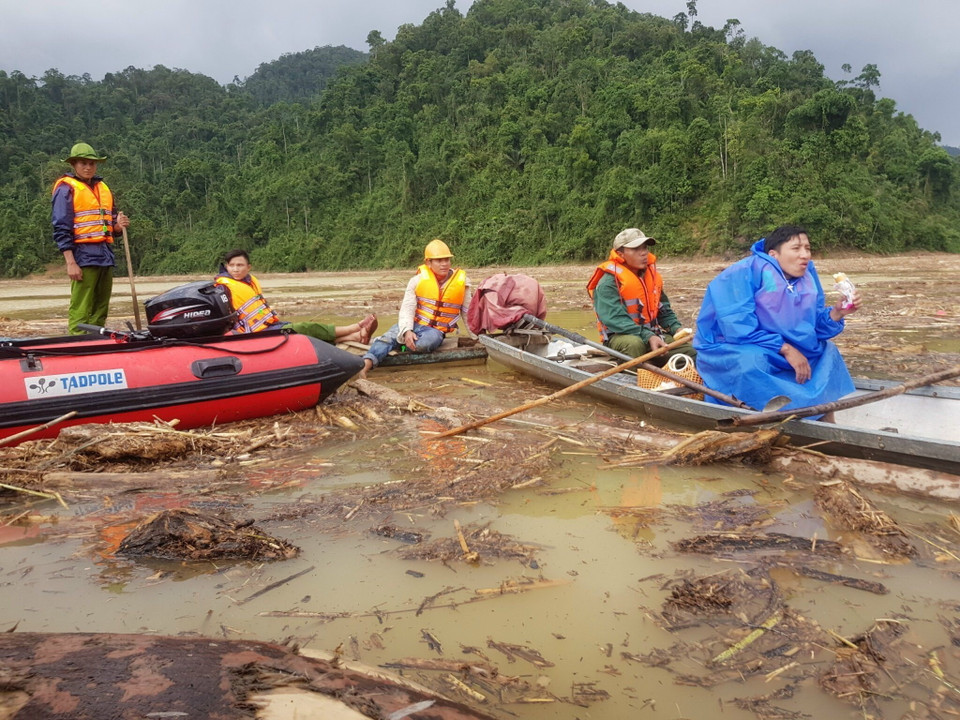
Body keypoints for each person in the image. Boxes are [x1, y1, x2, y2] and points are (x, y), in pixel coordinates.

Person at [692, 225, 861, 415]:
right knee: (750, 362)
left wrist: (838, 312)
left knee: (827, 352)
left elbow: (813, 325)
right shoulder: (745, 271)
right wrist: (786, 349)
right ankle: (758, 413)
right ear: (773, 254)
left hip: (785, 346)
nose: (805, 255)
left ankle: (820, 417)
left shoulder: (807, 274)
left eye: (808, 248)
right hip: (736, 345)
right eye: (796, 249)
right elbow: (737, 329)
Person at [358, 239, 472, 378]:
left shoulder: (463, 282)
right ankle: (364, 367)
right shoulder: (417, 280)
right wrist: (407, 331)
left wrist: (475, 336)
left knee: (424, 344)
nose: (444, 264)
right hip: (415, 324)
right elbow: (407, 308)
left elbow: (467, 312)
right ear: (428, 263)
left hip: (435, 331)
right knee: (389, 338)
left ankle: (396, 343)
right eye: (439, 260)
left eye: (447, 259)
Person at [214, 249, 377, 344]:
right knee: (305, 328)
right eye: (232, 265)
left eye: (240, 265)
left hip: (267, 326)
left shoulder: (250, 282)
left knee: (303, 334)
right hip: (252, 334)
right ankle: (355, 327)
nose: (235, 269)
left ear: (248, 267)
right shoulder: (222, 287)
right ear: (226, 267)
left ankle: (355, 337)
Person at [51, 142, 131, 334]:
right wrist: (70, 262)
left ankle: (96, 340)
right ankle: (77, 344)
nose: (88, 167)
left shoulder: (102, 187)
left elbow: (110, 221)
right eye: (82, 163)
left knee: (101, 306)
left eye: (91, 163)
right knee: (81, 306)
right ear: (74, 165)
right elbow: (61, 227)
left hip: (104, 254)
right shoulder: (65, 189)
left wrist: (118, 226)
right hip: (83, 255)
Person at [587, 228, 694, 366]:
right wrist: (648, 336)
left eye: (645, 248)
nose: (643, 253)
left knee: (690, 353)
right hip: (621, 337)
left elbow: (664, 310)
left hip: (652, 334)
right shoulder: (608, 283)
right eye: (636, 249)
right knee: (634, 345)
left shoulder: (652, 277)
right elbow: (616, 320)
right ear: (621, 254)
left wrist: (676, 329)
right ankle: (636, 380)